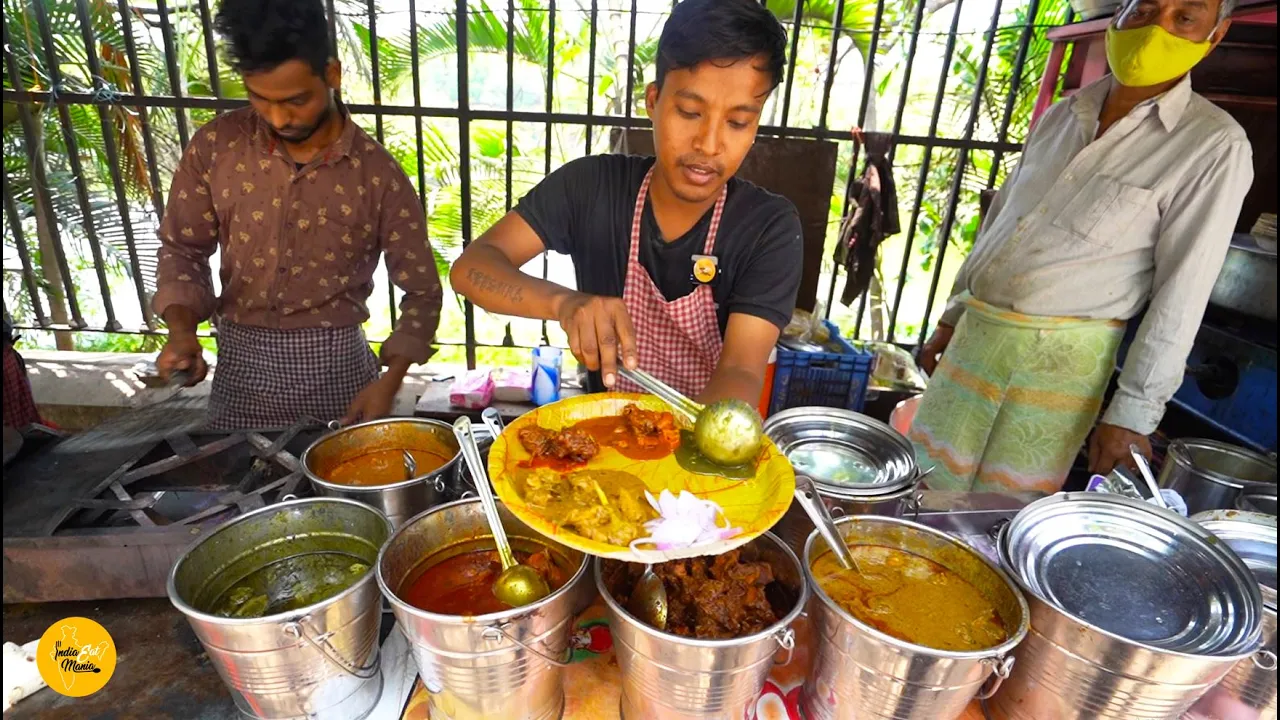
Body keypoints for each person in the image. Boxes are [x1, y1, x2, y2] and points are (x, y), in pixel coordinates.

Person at [910, 0, 1253, 493]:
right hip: (974, 343)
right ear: (1118, 15)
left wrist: (1132, 414)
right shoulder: (1062, 116)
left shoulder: (1214, 146)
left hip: (1058, 368)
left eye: (1184, 17)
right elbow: (1001, 227)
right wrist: (951, 317)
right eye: (1145, 9)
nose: (1156, 28)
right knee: (925, 491)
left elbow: (1183, 293)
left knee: (1000, 520)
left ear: (1215, 35)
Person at [450, 0, 802, 406]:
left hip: (701, 445)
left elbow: (740, 370)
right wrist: (565, 303)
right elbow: (471, 268)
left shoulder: (768, 227)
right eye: (689, 112)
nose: (708, 144)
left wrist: (694, 448)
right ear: (653, 101)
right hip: (608, 436)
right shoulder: (591, 188)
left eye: (738, 122)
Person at [153, 0, 442, 430]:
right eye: (259, 99)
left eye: (296, 100)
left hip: (340, 382)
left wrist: (390, 380)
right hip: (240, 378)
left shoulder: (378, 175)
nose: (277, 117)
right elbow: (182, 249)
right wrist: (181, 331)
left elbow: (421, 291)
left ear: (333, 75)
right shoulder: (216, 147)